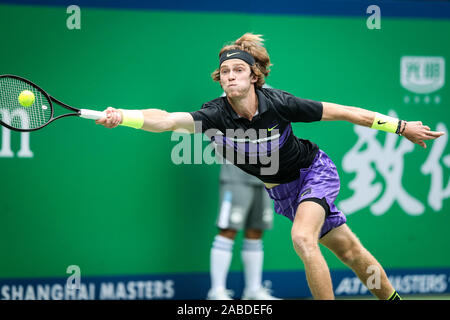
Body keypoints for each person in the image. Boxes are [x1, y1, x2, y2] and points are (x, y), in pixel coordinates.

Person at [96, 33, 445, 300]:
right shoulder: (215, 114)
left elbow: (346, 112)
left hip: (313, 172)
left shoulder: (280, 104)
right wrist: (123, 116)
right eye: (225, 72)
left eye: (239, 70)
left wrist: (401, 127)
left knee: (303, 239)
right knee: (350, 251)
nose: (230, 76)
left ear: (254, 76)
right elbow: (167, 120)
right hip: (283, 193)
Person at [207, 163, 278, 300]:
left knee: (256, 231)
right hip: (236, 177)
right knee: (229, 229)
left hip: (266, 177)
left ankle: (253, 290)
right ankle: (216, 291)